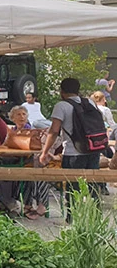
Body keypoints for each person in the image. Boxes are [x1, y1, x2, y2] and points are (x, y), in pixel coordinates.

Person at [40, 78, 104, 222]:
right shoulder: (90, 102)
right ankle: (95, 219)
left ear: (62, 91)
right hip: (93, 150)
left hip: (73, 152)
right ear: (78, 89)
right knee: (92, 186)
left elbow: (54, 131)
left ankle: (72, 219)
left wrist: (45, 152)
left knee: (72, 188)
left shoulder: (62, 106)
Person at [7, 105, 50, 219]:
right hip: (18, 161)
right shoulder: (12, 131)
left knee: (33, 175)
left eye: (24, 114)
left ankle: (33, 205)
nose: (22, 117)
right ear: (12, 118)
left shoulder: (31, 131)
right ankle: (27, 205)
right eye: (18, 114)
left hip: (32, 162)